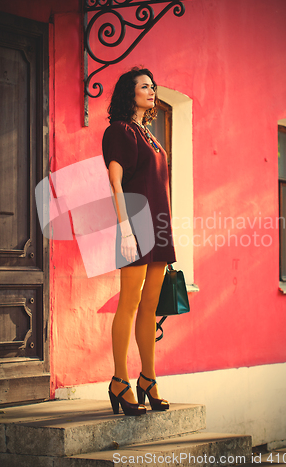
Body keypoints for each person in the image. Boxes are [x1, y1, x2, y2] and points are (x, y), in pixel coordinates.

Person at [102, 67, 176, 416]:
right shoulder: (119, 131)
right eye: (144, 85)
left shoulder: (150, 134)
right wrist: (126, 230)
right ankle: (120, 380)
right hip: (135, 225)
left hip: (158, 227)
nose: (152, 89)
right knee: (129, 305)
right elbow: (115, 184)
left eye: (153, 85)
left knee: (150, 307)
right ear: (128, 93)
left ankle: (149, 378)